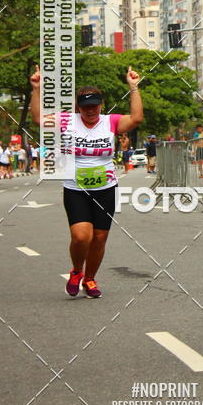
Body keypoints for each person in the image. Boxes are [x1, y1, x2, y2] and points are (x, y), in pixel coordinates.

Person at [30, 65, 143, 298]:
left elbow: (136, 118)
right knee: (82, 236)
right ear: (77, 107)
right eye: (85, 107)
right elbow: (38, 118)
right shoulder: (66, 121)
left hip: (106, 189)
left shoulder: (109, 122)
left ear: (101, 105)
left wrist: (134, 87)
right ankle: (76, 271)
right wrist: (37, 88)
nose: (90, 111)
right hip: (76, 189)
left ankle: (90, 279)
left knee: (99, 238)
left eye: (94, 106)